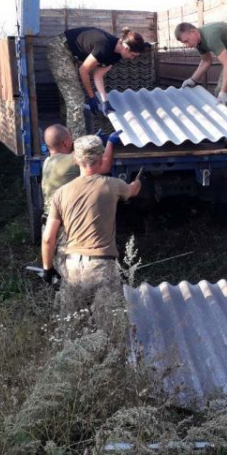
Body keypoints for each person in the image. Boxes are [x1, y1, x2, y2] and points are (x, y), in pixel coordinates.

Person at [41, 132, 140, 327]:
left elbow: (48, 238)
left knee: (71, 328)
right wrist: (137, 183)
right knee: (111, 328)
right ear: (102, 157)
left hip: (72, 267)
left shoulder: (60, 194)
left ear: (76, 159)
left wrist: (48, 270)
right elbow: (132, 190)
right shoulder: (113, 186)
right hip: (102, 267)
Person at [47, 26, 150, 137]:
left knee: (70, 98)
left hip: (72, 52)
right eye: (133, 55)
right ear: (126, 48)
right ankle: (78, 145)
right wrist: (91, 97)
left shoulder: (116, 55)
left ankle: (65, 136)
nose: (132, 58)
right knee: (75, 99)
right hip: (60, 47)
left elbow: (98, 75)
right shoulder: (104, 46)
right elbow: (84, 71)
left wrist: (105, 101)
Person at [175, 22, 227, 122]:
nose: (187, 45)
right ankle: (223, 127)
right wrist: (192, 80)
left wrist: (224, 92)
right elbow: (206, 60)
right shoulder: (198, 42)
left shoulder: (210, 37)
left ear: (193, 32)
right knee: (218, 92)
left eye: (186, 41)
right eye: (184, 43)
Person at [40, 124, 80, 289]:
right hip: (64, 224)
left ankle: (54, 278)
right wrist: (105, 143)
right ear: (66, 142)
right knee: (71, 271)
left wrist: (47, 269)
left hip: (49, 219)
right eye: (71, 137)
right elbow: (102, 165)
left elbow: (47, 240)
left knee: (59, 266)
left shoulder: (48, 162)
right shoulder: (71, 161)